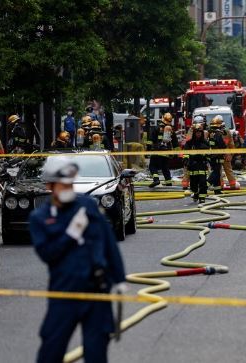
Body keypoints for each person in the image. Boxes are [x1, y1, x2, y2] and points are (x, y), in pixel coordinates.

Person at [29, 157, 126, 363]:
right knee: (51, 349)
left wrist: (119, 279)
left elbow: (108, 242)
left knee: (96, 351)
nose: (68, 188)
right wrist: (70, 235)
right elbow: (48, 254)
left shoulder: (87, 206)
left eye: (70, 183)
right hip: (65, 292)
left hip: (96, 290)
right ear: (50, 185)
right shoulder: (40, 218)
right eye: (63, 184)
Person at [148, 112, 178, 188]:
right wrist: (176, 154)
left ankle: (156, 180)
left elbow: (150, 140)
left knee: (152, 166)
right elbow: (175, 143)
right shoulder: (171, 130)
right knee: (165, 167)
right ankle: (168, 183)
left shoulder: (156, 128)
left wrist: (148, 149)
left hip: (157, 151)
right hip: (166, 152)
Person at [183, 123, 210, 203]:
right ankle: (196, 192)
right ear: (194, 133)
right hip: (193, 165)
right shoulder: (190, 143)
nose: (198, 134)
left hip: (202, 164)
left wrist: (208, 160)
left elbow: (209, 153)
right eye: (197, 132)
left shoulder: (205, 143)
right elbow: (186, 153)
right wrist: (186, 160)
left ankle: (202, 197)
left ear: (202, 133)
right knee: (193, 185)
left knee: (203, 182)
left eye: (200, 132)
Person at [207, 115, 227, 194]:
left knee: (217, 172)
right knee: (215, 172)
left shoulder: (211, 133)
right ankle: (205, 184)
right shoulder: (218, 134)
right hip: (217, 156)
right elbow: (222, 145)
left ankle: (217, 189)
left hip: (212, 156)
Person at [218, 115, 239, 190]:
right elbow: (232, 145)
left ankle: (221, 186)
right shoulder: (227, 131)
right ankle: (232, 185)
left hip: (219, 155)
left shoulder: (215, 132)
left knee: (219, 170)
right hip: (225, 154)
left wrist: (231, 155)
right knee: (226, 170)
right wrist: (231, 154)